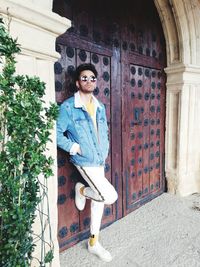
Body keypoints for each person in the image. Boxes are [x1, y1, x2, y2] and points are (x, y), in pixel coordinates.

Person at [56, 63, 118, 262]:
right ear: (77, 82)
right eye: (84, 78)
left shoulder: (100, 107)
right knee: (109, 196)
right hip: (83, 160)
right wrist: (75, 148)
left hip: (99, 158)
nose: (89, 81)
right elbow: (56, 133)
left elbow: (104, 132)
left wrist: (105, 148)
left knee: (99, 201)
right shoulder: (67, 107)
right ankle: (81, 189)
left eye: (92, 78)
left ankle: (93, 242)